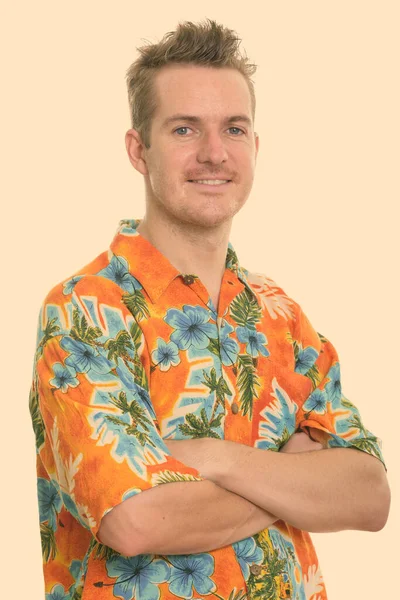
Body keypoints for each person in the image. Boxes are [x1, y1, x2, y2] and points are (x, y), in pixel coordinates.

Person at [29, 18, 390, 600]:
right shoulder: (85, 311)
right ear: (138, 149)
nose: (214, 153)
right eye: (184, 129)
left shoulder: (282, 316)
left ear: (255, 145)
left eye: (234, 128)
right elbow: (138, 520)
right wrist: (291, 480)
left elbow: (369, 496)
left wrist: (216, 460)